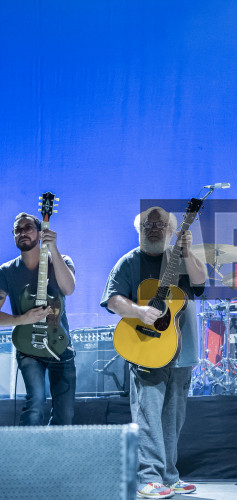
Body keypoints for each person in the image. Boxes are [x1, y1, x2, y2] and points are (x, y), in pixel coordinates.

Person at [101, 206, 207, 499]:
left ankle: (169, 476)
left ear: (171, 231)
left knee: (173, 418)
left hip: (182, 351)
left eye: (160, 226)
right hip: (146, 348)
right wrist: (137, 310)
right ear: (139, 229)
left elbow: (199, 283)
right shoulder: (129, 262)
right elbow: (113, 300)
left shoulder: (180, 258)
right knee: (148, 416)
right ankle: (147, 477)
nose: (154, 229)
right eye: (148, 225)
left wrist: (187, 252)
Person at [0, 212, 76, 425]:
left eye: (28, 228)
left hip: (60, 346)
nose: (22, 233)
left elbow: (68, 289)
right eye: (18, 230)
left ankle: (56, 457)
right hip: (28, 347)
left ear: (40, 233)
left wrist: (53, 248)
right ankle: (27, 456)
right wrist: (22, 319)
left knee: (65, 414)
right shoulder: (5, 272)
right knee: (35, 403)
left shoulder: (62, 260)